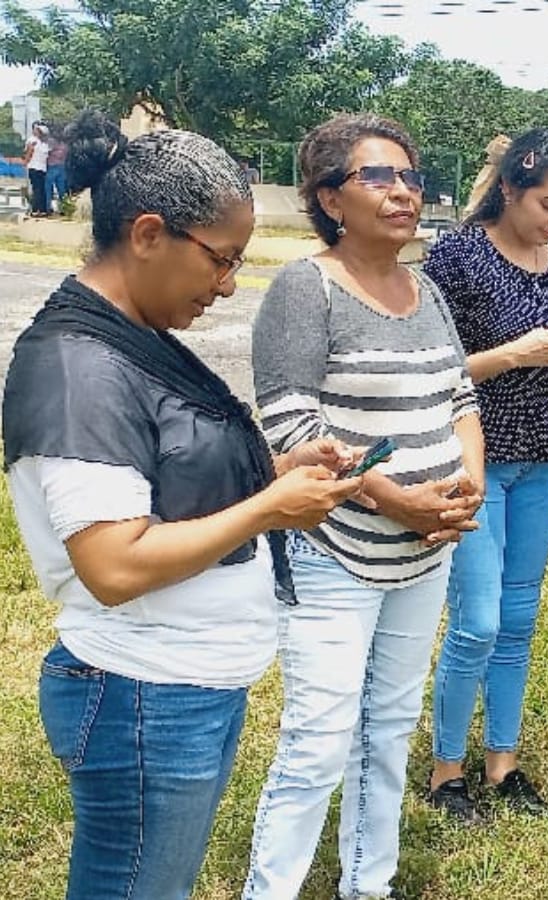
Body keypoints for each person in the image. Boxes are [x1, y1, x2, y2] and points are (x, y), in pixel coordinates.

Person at [2, 109, 362, 900]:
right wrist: (269, 509)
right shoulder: (77, 369)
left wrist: (276, 468)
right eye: (222, 260)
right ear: (148, 233)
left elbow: (167, 473)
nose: (229, 283)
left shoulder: (134, 334)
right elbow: (113, 564)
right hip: (141, 696)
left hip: (177, 690)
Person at [242, 113, 485, 900]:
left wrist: (463, 486)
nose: (403, 191)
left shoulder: (427, 291)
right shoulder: (303, 288)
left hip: (423, 555)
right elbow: (291, 422)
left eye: (410, 177)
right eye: (377, 177)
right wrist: (397, 501)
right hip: (335, 552)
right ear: (329, 199)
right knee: (316, 741)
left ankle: (367, 884)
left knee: (386, 732)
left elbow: (459, 396)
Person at [422, 128, 548, 821]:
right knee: (477, 621)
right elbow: (428, 371)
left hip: (541, 453)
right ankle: (445, 772)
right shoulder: (457, 257)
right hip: (473, 454)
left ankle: (503, 762)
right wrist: (514, 352)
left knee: (520, 619)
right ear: (509, 190)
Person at [23, 121, 50, 217]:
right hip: (34, 167)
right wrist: (26, 162)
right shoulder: (32, 141)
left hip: (42, 168)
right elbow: (29, 152)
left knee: (41, 189)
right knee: (37, 188)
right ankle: (36, 209)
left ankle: (41, 209)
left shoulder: (44, 142)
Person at [45, 127, 67, 214]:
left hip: (53, 166)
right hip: (61, 167)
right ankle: (63, 208)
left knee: (49, 189)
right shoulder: (65, 144)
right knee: (61, 189)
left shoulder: (51, 142)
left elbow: (47, 152)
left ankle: (48, 208)